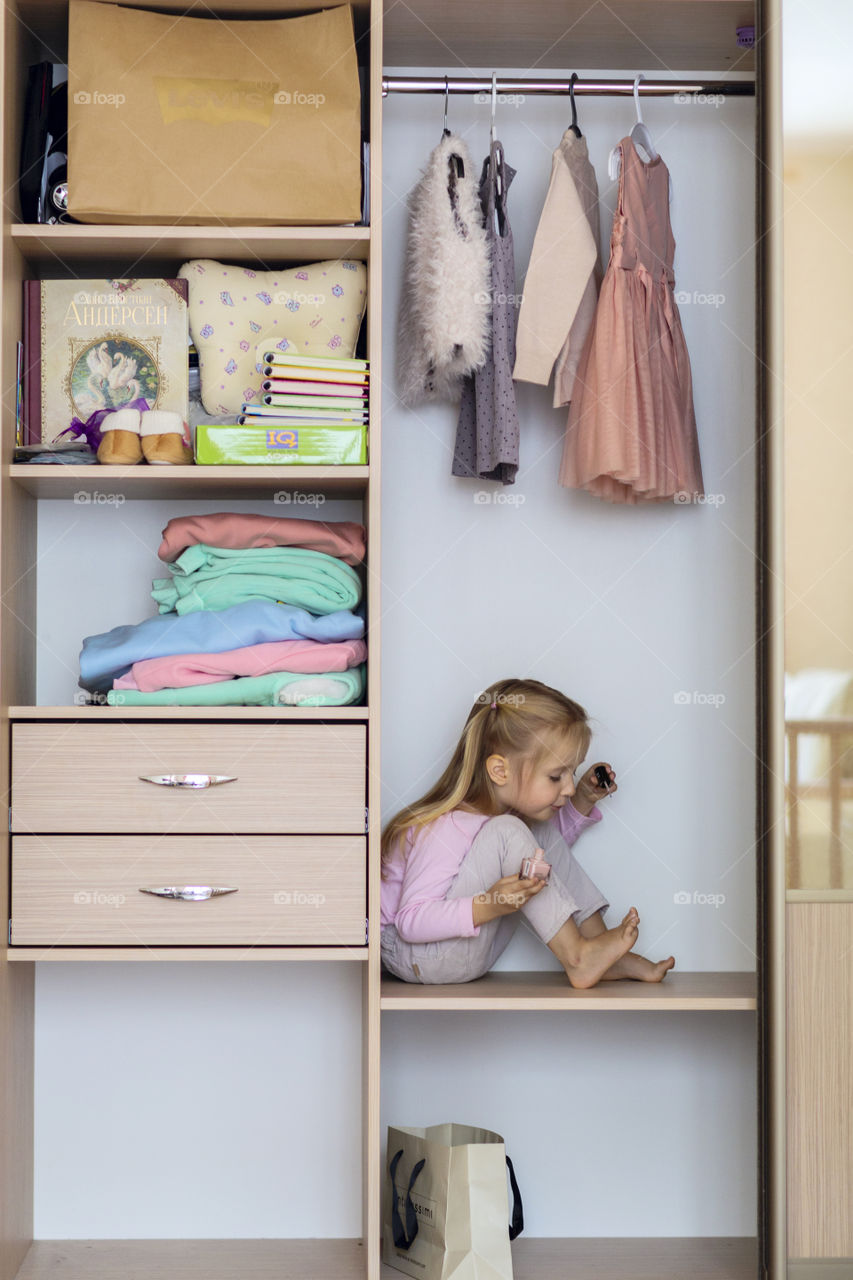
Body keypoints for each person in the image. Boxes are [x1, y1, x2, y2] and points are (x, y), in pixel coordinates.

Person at [380, 677, 676, 987]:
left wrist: (583, 801)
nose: (570, 786)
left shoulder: (507, 824)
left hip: (463, 953)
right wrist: (488, 905)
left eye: (571, 773)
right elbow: (411, 921)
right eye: (555, 776)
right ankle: (578, 956)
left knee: (534, 831)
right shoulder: (448, 827)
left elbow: (545, 851)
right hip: (419, 956)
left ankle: (598, 949)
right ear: (499, 771)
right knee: (513, 829)